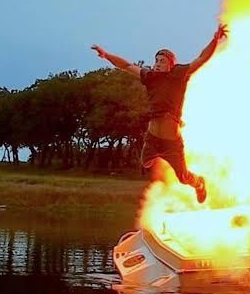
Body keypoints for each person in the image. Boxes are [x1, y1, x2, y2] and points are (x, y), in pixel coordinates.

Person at [91, 23, 228, 204]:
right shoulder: (149, 77)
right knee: (145, 163)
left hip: (172, 143)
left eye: (162, 61)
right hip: (152, 139)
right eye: (156, 61)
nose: (157, 64)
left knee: (184, 177)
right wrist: (106, 55)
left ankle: (199, 184)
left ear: (171, 64)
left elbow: (201, 58)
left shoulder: (179, 75)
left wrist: (215, 40)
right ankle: (156, 155)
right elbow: (126, 65)